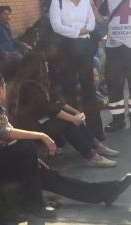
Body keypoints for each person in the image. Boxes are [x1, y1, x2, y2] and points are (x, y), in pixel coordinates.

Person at [0, 71, 131, 218]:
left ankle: (105, 192)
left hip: (3, 158)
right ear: (1, 89)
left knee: (51, 176)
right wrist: (42, 135)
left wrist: (33, 159)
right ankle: (35, 204)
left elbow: (9, 139)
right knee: (26, 146)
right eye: (4, 86)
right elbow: (4, 133)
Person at [7, 53, 118, 168]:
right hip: (31, 127)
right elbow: (49, 108)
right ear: (36, 67)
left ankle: (96, 145)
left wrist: (75, 112)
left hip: (42, 119)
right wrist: (73, 119)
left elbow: (57, 101)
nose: (47, 65)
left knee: (71, 118)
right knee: (67, 123)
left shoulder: (41, 81)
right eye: (44, 64)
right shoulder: (28, 86)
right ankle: (91, 156)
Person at [49, 0, 105, 141]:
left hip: (85, 47)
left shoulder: (86, 2)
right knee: (69, 89)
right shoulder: (58, 2)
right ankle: (76, 134)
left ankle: (96, 131)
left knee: (89, 88)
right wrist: (77, 32)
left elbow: (91, 23)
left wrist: (82, 31)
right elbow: (56, 26)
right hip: (66, 49)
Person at [102, 0, 131, 132]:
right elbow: (101, 19)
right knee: (114, 86)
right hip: (114, 48)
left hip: (122, 49)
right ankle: (118, 120)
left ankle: (119, 120)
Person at [0, 6, 32, 79]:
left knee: (29, 53)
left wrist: (23, 44)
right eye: (5, 14)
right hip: (3, 55)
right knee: (23, 60)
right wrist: (4, 53)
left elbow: (12, 40)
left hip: (12, 52)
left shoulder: (6, 26)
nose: (8, 17)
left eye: (9, 14)